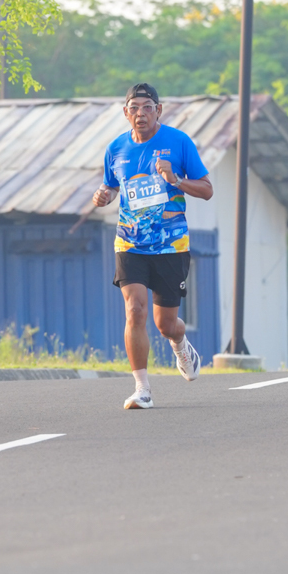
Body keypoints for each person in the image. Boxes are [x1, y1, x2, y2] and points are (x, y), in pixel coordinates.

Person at [92, 83, 213, 409]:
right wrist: (104, 195)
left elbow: (207, 190)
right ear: (125, 112)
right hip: (130, 242)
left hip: (171, 245)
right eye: (134, 108)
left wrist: (176, 180)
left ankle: (180, 343)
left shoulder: (179, 142)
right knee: (135, 310)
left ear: (159, 110)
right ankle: (142, 389)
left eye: (147, 107)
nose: (141, 114)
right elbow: (111, 186)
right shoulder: (116, 149)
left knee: (165, 324)